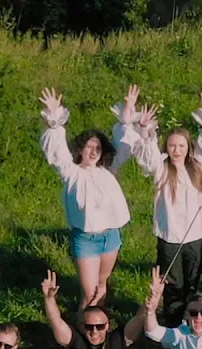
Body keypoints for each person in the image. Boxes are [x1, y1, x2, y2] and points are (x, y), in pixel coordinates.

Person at [127, 85, 202, 325]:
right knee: (173, 283)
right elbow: (146, 158)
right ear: (166, 147)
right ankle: (172, 323)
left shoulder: (197, 165)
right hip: (170, 238)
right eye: (172, 146)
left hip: (194, 236)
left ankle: (193, 320)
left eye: (181, 146)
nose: (176, 150)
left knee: (193, 280)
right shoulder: (161, 167)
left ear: (188, 147)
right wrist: (146, 130)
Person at [39, 85, 138, 309]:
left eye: (98, 148)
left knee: (102, 287)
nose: (93, 152)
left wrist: (128, 113)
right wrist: (54, 119)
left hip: (110, 237)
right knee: (89, 293)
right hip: (85, 240)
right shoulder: (71, 172)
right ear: (80, 149)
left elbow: (125, 145)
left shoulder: (108, 170)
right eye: (89, 147)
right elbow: (56, 151)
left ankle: (100, 325)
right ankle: (83, 327)